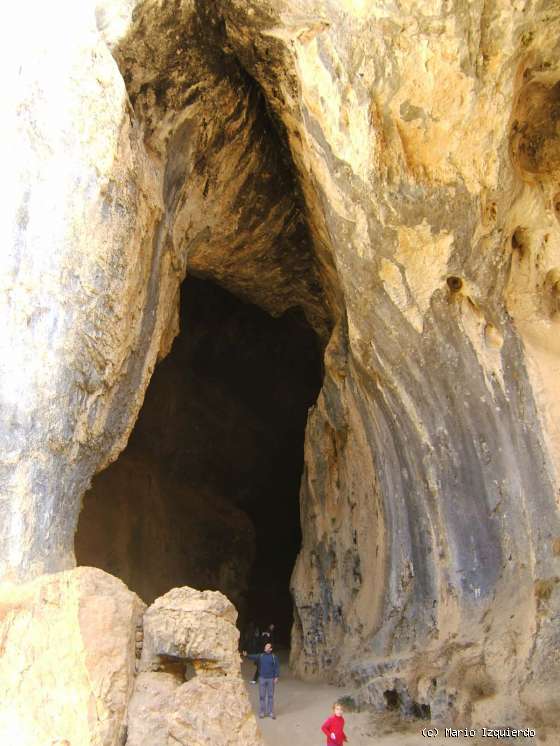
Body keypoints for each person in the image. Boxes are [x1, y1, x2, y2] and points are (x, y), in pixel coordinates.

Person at [243, 642, 280, 719]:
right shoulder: (261, 656)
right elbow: (253, 657)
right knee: (262, 696)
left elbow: (277, 667)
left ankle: (270, 712)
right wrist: (247, 655)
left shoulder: (274, 657)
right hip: (262, 678)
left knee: (270, 696)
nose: (265, 647)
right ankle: (262, 712)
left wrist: (276, 677)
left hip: (270, 679)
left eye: (267, 647)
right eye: (265, 646)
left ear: (271, 649)